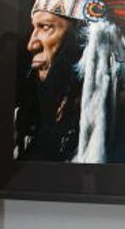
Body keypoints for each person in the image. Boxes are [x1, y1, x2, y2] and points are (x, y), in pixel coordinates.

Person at [14, 10, 85, 161]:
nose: (31, 45)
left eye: (45, 27)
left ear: (79, 36)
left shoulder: (115, 113)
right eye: (34, 28)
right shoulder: (27, 105)